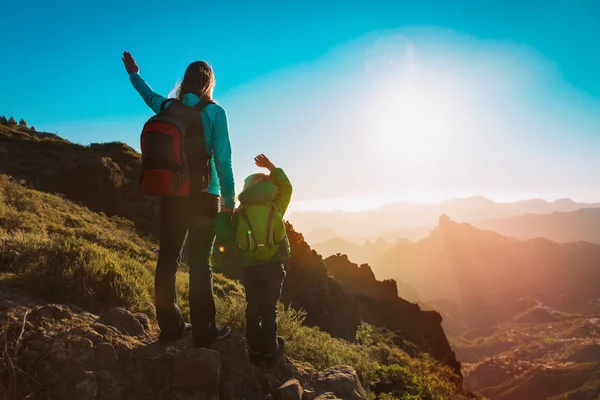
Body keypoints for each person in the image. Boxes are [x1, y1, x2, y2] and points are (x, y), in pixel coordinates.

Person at [122, 51, 234, 347]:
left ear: (184, 82)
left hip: (172, 194)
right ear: (209, 84)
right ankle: (204, 332)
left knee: (168, 260)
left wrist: (134, 73)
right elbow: (223, 161)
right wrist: (230, 201)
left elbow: (148, 96)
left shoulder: (168, 107)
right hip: (204, 197)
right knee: (200, 265)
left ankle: (170, 326)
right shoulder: (215, 113)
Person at [215, 154, 292, 364]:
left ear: (248, 188)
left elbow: (222, 231)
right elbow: (287, 187)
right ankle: (271, 351)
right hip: (274, 267)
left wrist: (225, 211)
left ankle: (255, 352)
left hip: (250, 268)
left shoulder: (241, 212)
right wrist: (270, 166)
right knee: (270, 310)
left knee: (253, 309)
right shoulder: (276, 204)